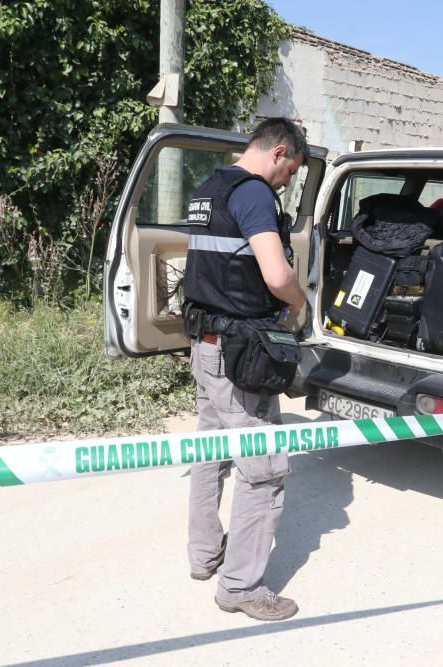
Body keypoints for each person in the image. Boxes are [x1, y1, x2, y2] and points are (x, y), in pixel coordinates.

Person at [182, 117, 308, 621]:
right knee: (264, 466)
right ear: (279, 153)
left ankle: (204, 556)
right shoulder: (254, 194)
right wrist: (301, 305)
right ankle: (241, 587)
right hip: (242, 354)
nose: (287, 182)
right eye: (291, 171)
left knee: (210, 451)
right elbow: (276, 275)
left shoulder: (208, 187)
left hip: (205, 346)